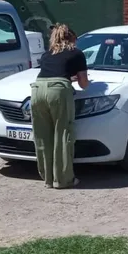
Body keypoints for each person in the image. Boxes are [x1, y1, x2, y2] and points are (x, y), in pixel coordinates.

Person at [31, 24, 89, 189]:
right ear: (72, 38)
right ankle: (63, 179)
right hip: (58, 91)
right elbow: (84, 84)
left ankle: (47, 178)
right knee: (63, 133)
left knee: (43, 135)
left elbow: (51, 75)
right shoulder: (76, 53)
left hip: (37, 89)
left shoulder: (46, 55)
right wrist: (80, 79)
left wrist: (68, 78)